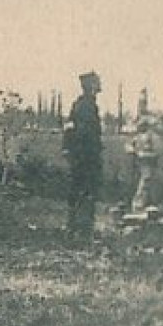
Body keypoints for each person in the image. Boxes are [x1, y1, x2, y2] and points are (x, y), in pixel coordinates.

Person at [62, 71, 105, 238]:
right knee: (87, 190)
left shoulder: (79, 104)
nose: (101, 84)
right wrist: (89, 152)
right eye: (98, 82)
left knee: (77, 189)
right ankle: (83, 230)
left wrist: (68, 149)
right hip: (86, 156)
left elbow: (69, 128)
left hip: (79, 155)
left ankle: (74, 228)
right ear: (92, 86)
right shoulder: (87, 106)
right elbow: (85, 133)